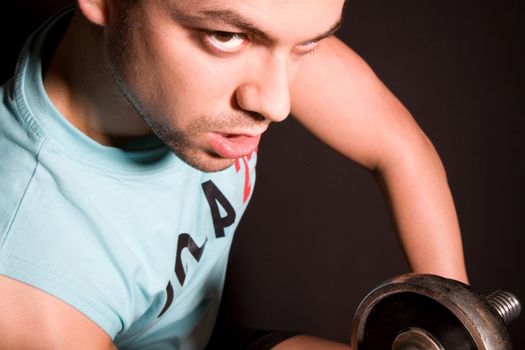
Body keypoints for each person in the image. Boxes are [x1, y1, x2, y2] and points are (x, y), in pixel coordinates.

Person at [0, 0, 469, 349]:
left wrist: (450, 321)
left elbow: (399, 148)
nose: (275, 103)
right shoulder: (33, 282)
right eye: (226, 38)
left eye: (306, 44)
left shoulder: (265, 28)